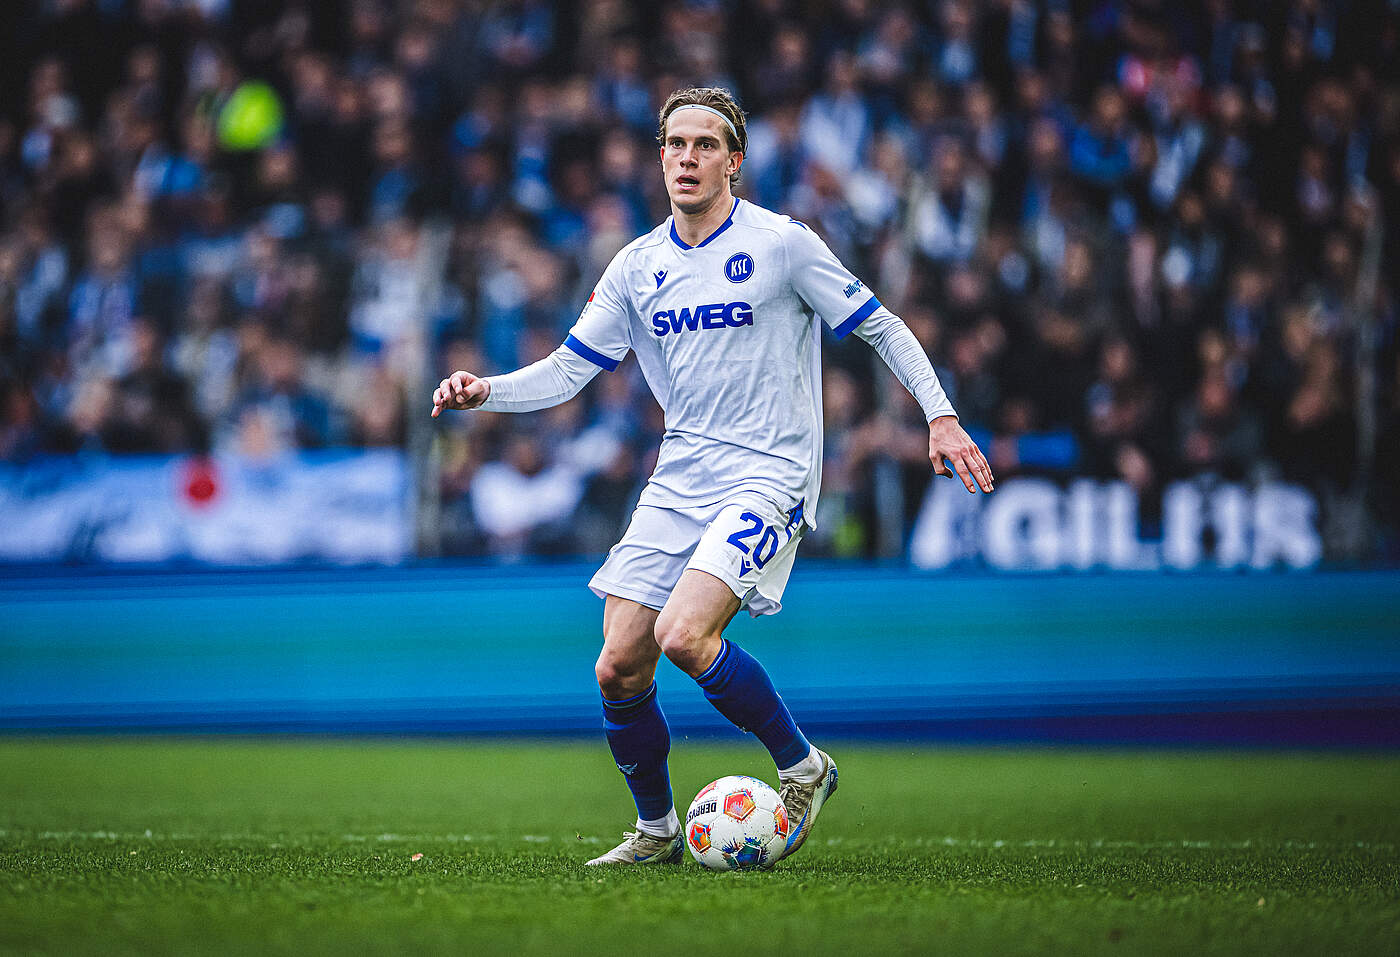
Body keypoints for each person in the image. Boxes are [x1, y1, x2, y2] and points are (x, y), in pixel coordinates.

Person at [432, 87, 995, 866]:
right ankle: (657, 829)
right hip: (681, 476)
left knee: (684, 634)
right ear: (660, 156)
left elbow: (882, 326)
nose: (688, 157)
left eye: (706, 144)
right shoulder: (638, 266)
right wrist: (486, 390)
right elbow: (567, 370)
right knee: (618, 664)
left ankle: (804, 766)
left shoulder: (782, 244)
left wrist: (940, 414)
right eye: (676, 143)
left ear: (735, 160)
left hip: (771, 473)